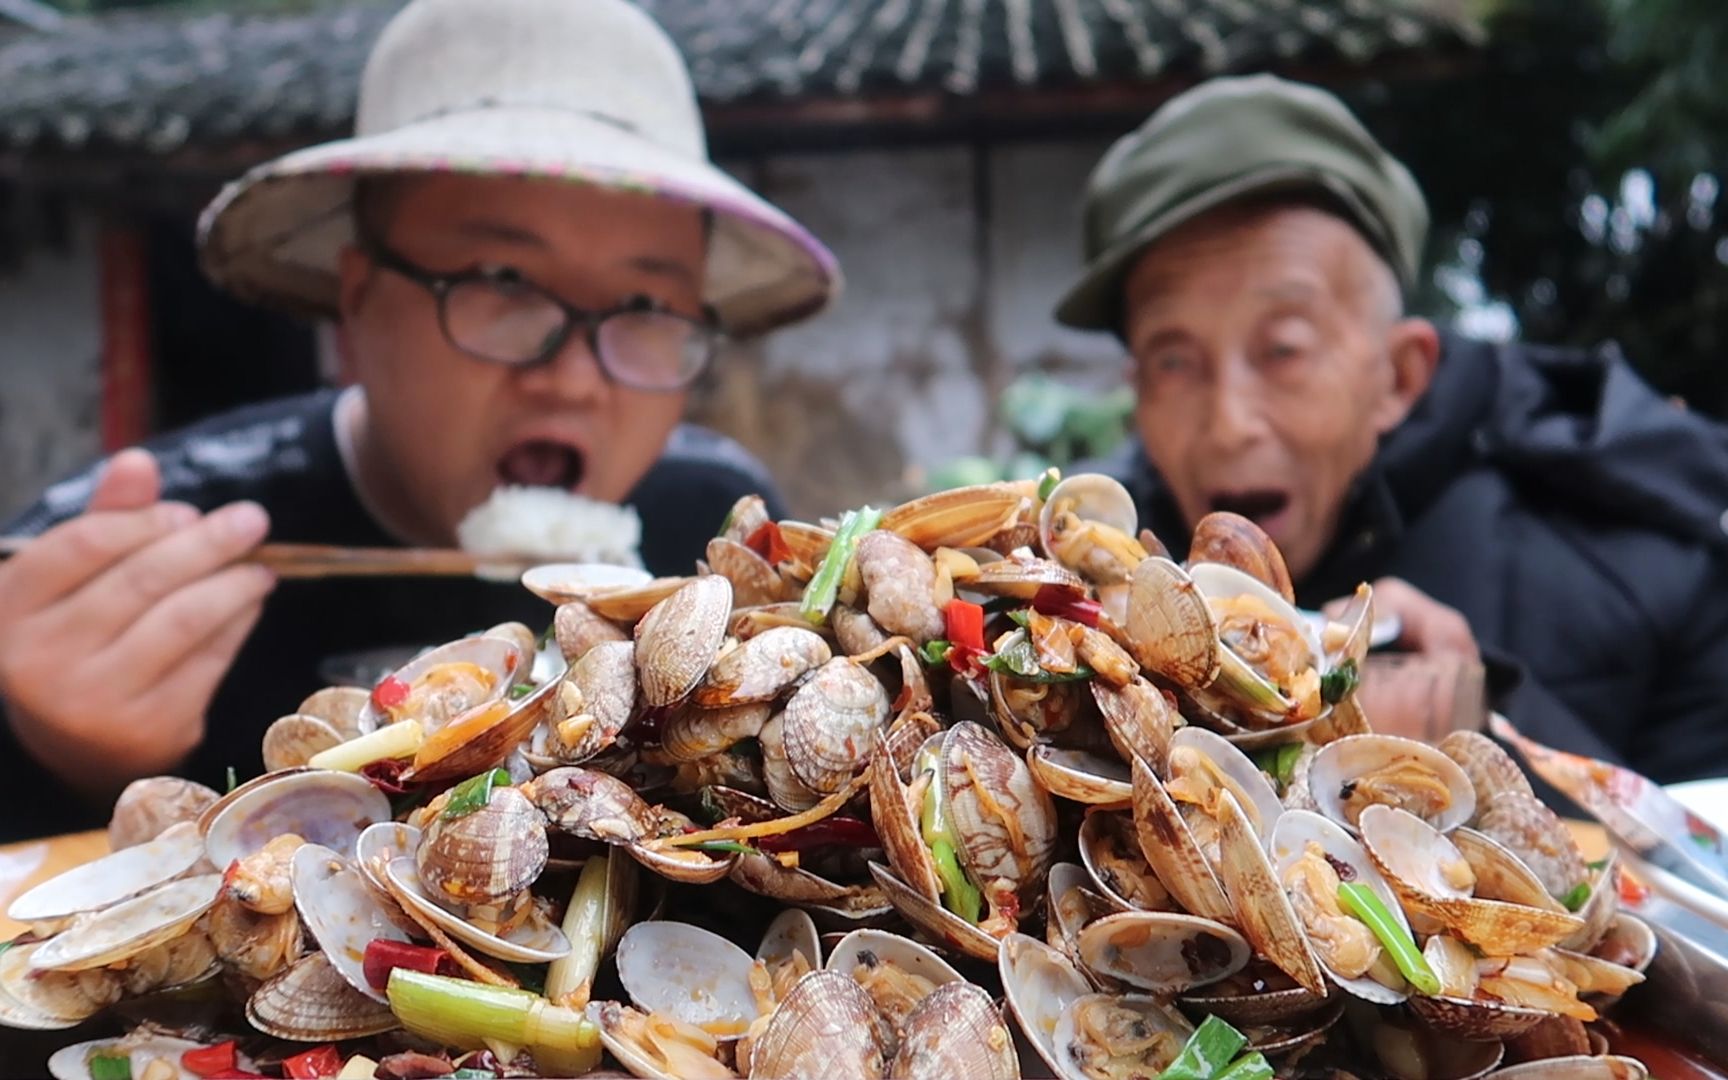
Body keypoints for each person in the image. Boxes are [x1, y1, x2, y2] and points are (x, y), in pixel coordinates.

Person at [0, 0, 840, 840]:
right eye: (504, 281)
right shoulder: (144, 560)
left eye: (649, 304)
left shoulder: (716, 531)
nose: (577, 377)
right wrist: (60, 757)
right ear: (358, 305)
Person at [1056, 74, 1728, 782]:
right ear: (1136, 391)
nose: (1229, 424)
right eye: (1173, 361)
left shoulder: (1644, 557)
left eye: (1283, 349)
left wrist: (1486, 726)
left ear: (1398, 375)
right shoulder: (1077, 577)